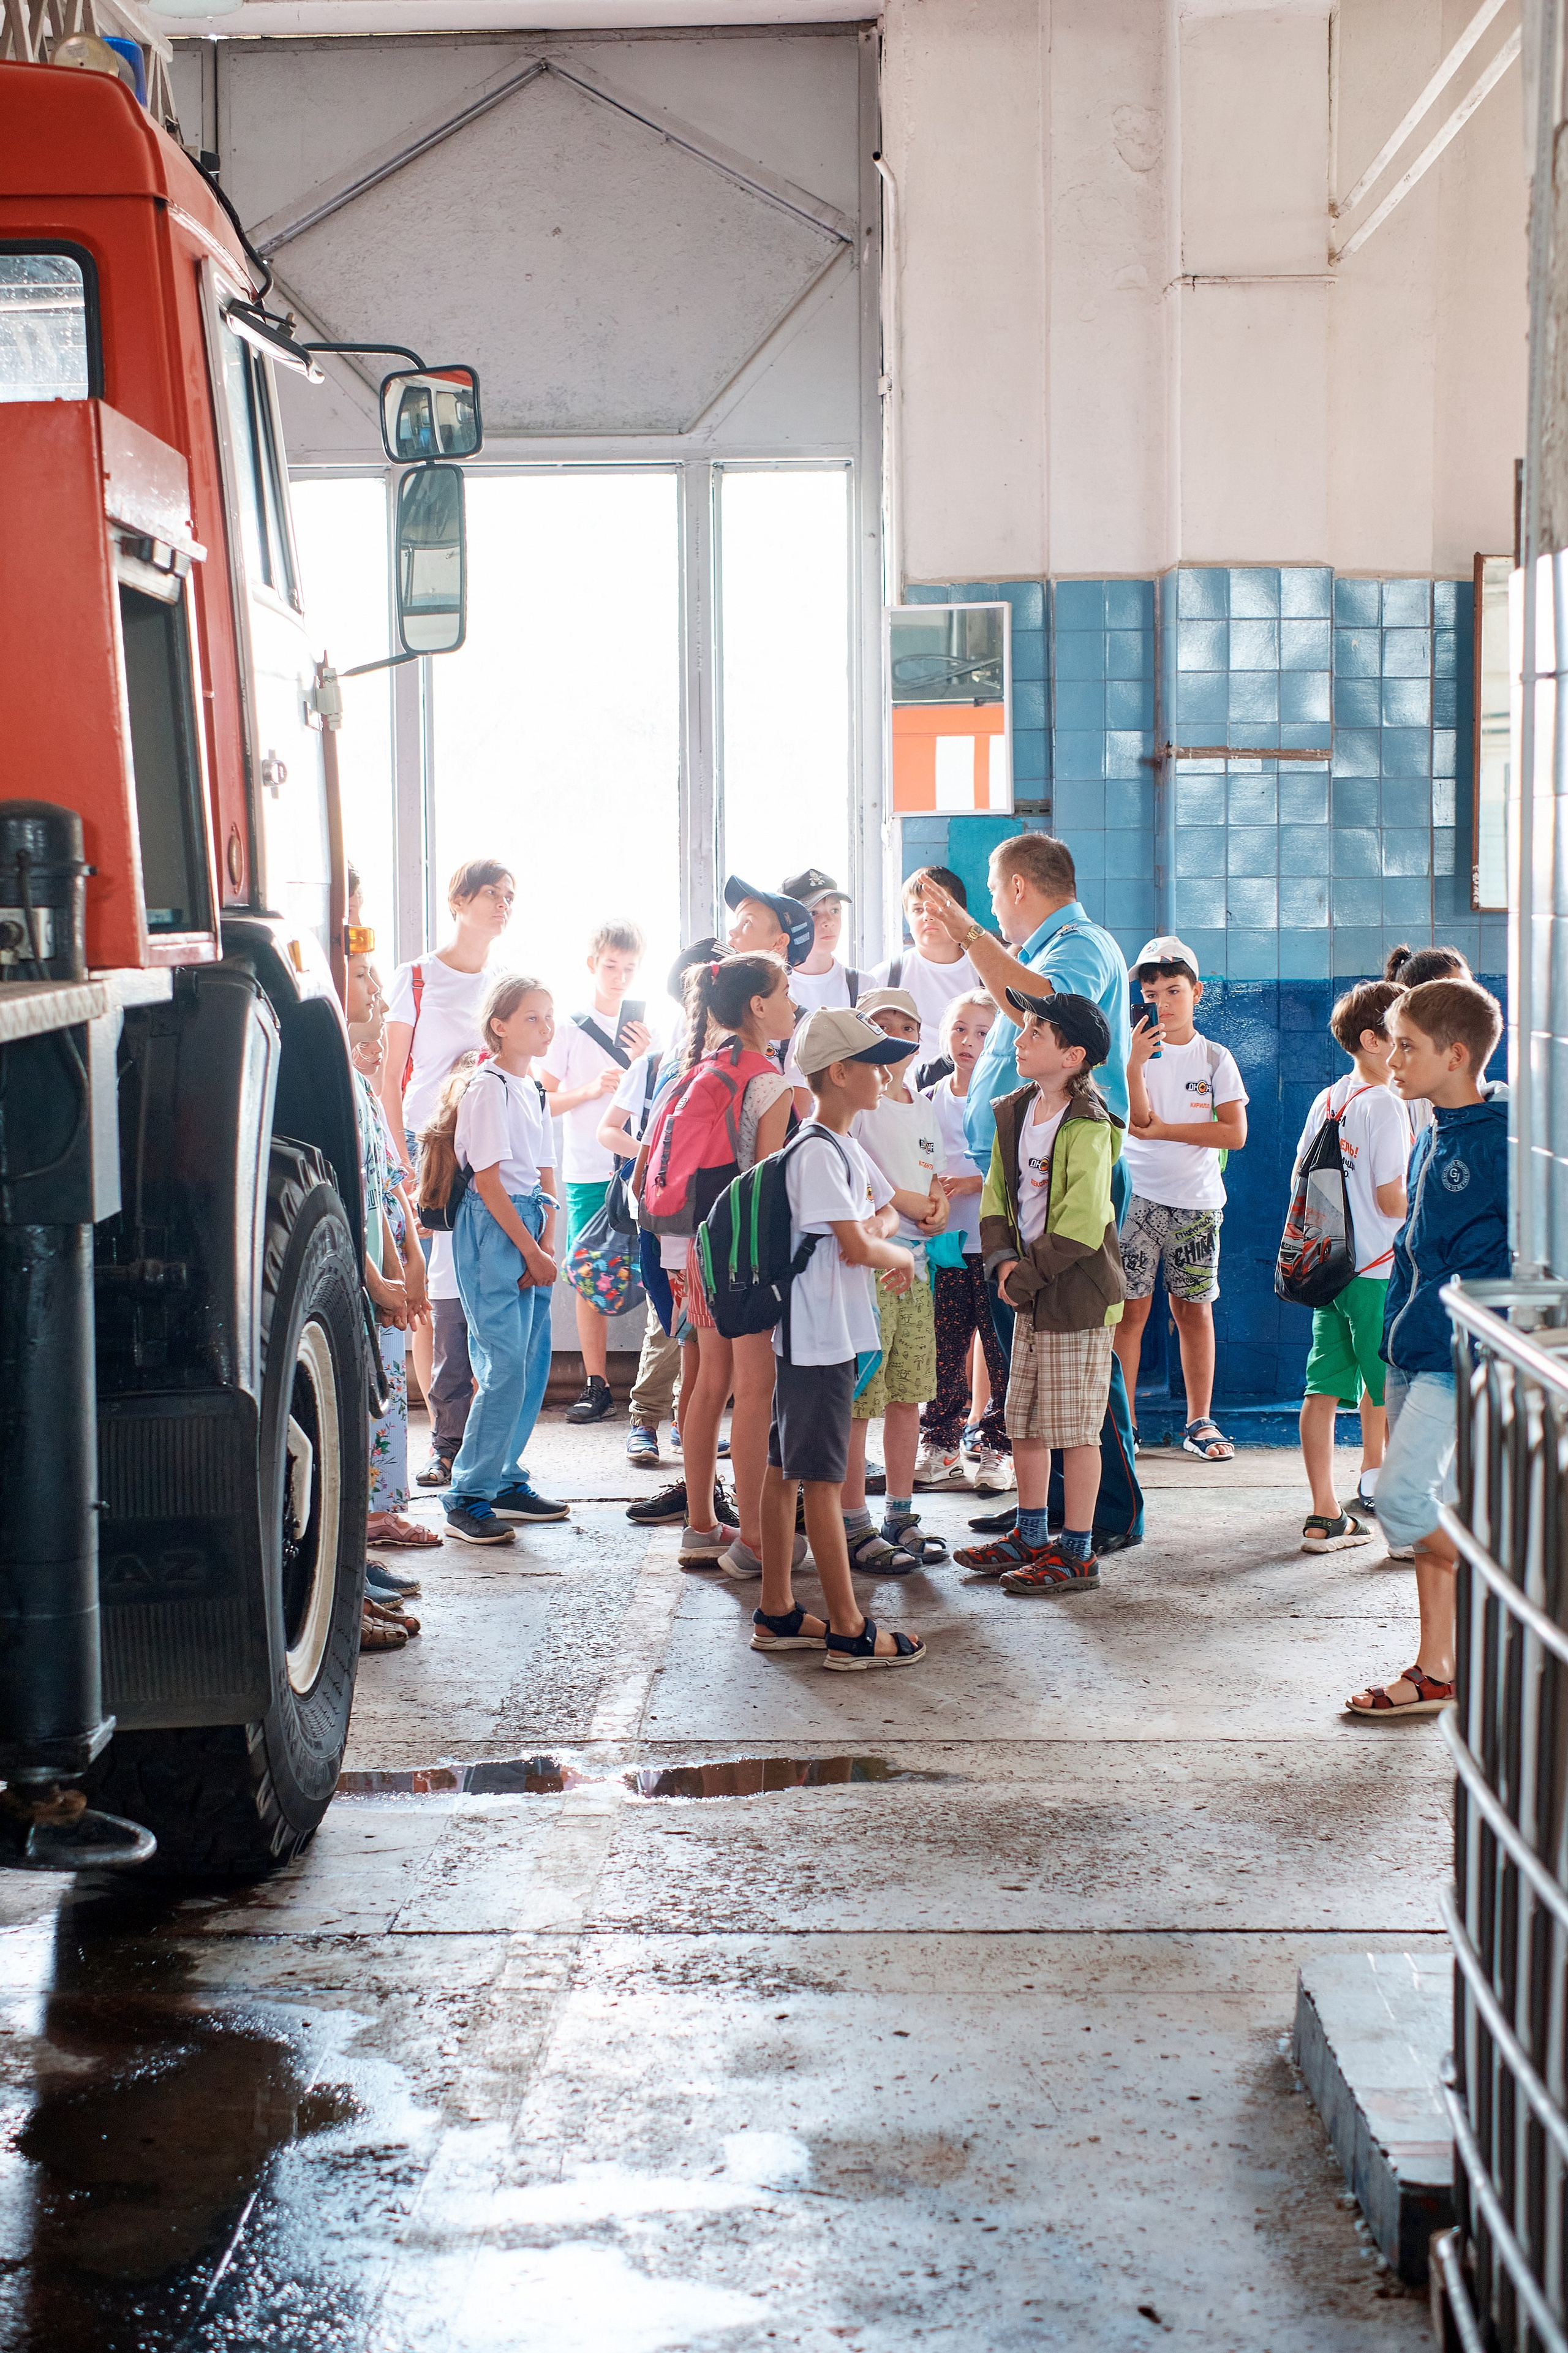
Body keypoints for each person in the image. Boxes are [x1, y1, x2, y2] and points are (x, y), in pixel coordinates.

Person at [921, 835, 1140, 1549]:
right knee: (1033, 1358)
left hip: (1064, 1172)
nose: (987, 906)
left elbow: (1039, 1003)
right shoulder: (1049, 947)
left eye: (991, 891)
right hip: (1025, 1168)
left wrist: (968, 934)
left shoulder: (1077, 943)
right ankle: (1041, 1512)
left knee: (1078, 1352)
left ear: (1019, 886)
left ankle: (1106, 1512)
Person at [1347, 979, 1509, 1718]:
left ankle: (1511, 1594)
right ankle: (1435, 1668)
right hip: (1410, 1345)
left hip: (1458, 1353)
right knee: (1423, 1508)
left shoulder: (1502, 1143)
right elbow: (1413, 1249)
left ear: (1457, 1054)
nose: (1394, 1058)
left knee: (1403, 1500)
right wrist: (1391, 1341)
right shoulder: (1430, 1133)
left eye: (1408, 1046)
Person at [750, 1007, 927, 1671]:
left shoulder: (845, 1146)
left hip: (820, 1335)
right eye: (873, 1063)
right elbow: (860, 1242)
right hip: (816, 1339)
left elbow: (884, 1210)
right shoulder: (817, 1149)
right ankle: (849, 1628)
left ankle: (777, 1611)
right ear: (839, 1072)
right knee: (821, 1481)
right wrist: (901, 1256)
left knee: (783, 1469)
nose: (884, 1074)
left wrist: (879, 1232)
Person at [953, 992, 1125, 1594]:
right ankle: (1030, 1535)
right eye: (1022, 1029)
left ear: (1073, 1055)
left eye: (1035, 1033)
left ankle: (1075, 1551)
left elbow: (1079, 1227)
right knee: (1022, 1420)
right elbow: (997, 1194)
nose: (1019, 1040)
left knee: (1075, 1429)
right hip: (1027, 1287)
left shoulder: (1088, 1124)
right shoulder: (1016, 1109)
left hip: (1073, 1295)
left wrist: (1019, 1279)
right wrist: (1000, 1260)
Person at [640, 953, 799, 1576]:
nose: (791, 1003)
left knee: (708, 1382)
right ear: (757, 1006)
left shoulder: (702, 1067)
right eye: (783, 992)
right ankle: (756, 1536)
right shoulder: (767, 1080)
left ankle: (702, 1524)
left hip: (688, 1248)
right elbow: (763, 1185)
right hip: (739, 1256)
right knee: (756, 1388)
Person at [381, 858, 516, 1411]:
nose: (503, 904)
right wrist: (399, 1160)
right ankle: (443, 1425)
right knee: (428, 1286)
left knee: (474, 1287)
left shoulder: (502, 987)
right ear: (458, 901)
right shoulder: (417, 975)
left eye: (510, 895)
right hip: (422, 1143)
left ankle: (470, 1422)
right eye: (490, 893)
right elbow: (390, 1075)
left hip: (478, 1147)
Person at [443, 976, 568, 1546]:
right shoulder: (487, 1087)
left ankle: (504, 1479)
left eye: (548, 1017)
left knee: (532, 1362)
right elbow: (489, 1182)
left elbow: (546, 1172)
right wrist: (530, 1249)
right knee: (503, 1365)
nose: (545, 1027)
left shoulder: (533, 1088)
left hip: (532, 1227)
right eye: (532, 1018)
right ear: (500, 1024)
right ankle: (467, 1493)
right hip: (496, 1229)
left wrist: (552, 1244)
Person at [1114, 935, 1249, 1462]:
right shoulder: (1131, 1054)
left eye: (1174, 990)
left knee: (1193, 1311)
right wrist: (1132, 1064)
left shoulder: (1216, 1057)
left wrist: (1169, 1128)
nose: (1163, 1003)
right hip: (1137, 1201)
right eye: (1151, 992)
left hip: (1196, 1204)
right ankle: (1121, 1427)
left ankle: (1199, 1421)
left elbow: (1234, 1133)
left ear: (1197, 992)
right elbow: (1137, 1122)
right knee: (1131, 1314)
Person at [1292, 981, 1412, 1551]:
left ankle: (1324, 1515)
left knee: (1322, 1390)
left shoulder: (1329, 1099)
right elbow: (1393, 1201)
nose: (1410, 1046)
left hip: (1332, 1272)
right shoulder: (1386, 1103)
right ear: (1372, 1040)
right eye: (1402, 1035)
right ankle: (1407, 1530)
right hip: (1380, 1272)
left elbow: (1304, 1182)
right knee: (1393, 1390)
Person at [839, 988, 950, 1571]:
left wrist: (936, 1203)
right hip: (875, 1267)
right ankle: (853, 1521)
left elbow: (931, 1175)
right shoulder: (859, 1099)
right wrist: (909, 1200)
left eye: (905, 1026)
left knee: (908, 1394)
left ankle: (900, 1513)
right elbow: (869, 1177)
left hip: (920, 1266)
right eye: (881, 1025)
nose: (894, 1037)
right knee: (863, 1398)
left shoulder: (922, 1102)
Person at [344, 950, 430, 1645]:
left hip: (380, 1271)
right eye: (362, 968)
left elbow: (384, 1188)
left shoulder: (363, 1087)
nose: (376, 986)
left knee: (373, 1412)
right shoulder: (326, 1082)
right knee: (345, 1429)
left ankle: (356, 1567)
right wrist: (375, 1277)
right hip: (354, 1278)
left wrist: (407, 1260)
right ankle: (343, 1580)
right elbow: (338, 1203)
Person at [539, 921, 654, 1426]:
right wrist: (589, 1089)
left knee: (654, 1264)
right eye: (611, 966)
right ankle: (596, 1382)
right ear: (592, 964)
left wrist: (642, 1059)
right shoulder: (567, 1028)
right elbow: (541, 1102)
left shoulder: (648, 1032)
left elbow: (662, 1099)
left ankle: (657, 1381)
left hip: (638, 1162)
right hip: (588, 1168)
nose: (620, 977)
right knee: (589, 1271)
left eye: (629, 968)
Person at [914, 991, 1012, 1494]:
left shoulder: (1006, 1099)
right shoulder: (927, 1098)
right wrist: (931, 1192)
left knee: (1000, 1352)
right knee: (944, 1351)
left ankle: (998, 1446)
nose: (968, 1041)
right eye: (959, 1028)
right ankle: (942, 1442)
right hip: (947, 1245)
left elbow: (1018, 1166)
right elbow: (918, 1161)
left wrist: (977, 1183)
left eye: (981, 1032)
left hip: (994, 1247)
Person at [415, 1052, 483, 1490]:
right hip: (448, 1279)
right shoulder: (438, 1147)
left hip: (489, 1276)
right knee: (451, 1369)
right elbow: (429, 1213)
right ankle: (445, 1449)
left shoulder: (503, 1143)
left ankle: (486, 1457)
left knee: (494, 1370)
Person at [872, 866, 981, 1064]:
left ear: (961, 913)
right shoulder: (885, 977)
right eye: (918, 910)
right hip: (903, 1092)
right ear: (907, 916)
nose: (927, 916)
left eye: (937, 907)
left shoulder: (985, 972)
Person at [1382, 946, 1474, 1136]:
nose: (1473, 1003)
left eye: (1471, 992)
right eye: (1458, 994)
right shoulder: (1398, 1081)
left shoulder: (1462, 1059)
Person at [781, 869, 864, 1011]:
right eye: (813, 913)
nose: (829, 922)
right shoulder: (773, 989)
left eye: (835, 911)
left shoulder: (863, 985)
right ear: (787, 920)